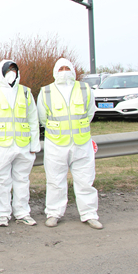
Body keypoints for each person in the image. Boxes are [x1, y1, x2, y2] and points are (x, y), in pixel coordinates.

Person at [38, 58, 102, 230]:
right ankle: (54, 213)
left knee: (85, 180)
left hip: (81, 142)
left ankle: (89, 214)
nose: (64, 71)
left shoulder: (84, 89)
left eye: (67, 68)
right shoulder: (46, 91)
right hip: (56, 143)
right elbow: (43, 118)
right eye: (61, 68)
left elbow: (90, 112)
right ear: (55, 71)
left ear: (72, 70)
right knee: (55, 180)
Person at [0, 60, 41, 227]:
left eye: (14, 69)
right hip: (1, 146)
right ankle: (3, 214)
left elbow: (33, 119)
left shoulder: (25, 92)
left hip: (23, 145)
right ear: (1, 72)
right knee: (1, 181)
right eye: (8, 70)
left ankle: (22, 213)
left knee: (22, 180)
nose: (11, 73)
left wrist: (34, 145)